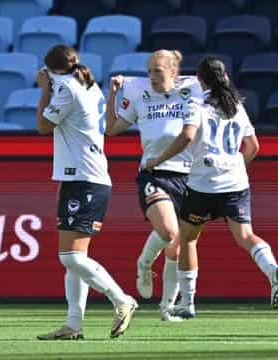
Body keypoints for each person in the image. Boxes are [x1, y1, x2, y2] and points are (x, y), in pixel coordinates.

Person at [144, 56, 278, 318]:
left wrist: (158, 159)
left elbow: (187, 136)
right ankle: (272, 270)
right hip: (235, 182)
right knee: (246, 236)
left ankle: (187, 303)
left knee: (187, 239)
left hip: (203, 184)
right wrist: (235, 168)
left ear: (200, 80)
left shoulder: (196, 104)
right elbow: (254, 147)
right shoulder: (236, 106)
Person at [35, 45, 137, 340]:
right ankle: (73, 325)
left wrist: (44, 89)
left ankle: (121, 300)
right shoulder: (88, 86)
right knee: (75, 258)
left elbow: (43, 125)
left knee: (70, 257)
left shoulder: (66, 89)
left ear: (50, 68)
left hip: (85, 178)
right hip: (81, 176)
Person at [105, 49, 202, 321]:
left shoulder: (192, 90)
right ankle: (145, 263)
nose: (151, 76)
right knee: (169, 231)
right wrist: (113, 93)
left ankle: (167, 308)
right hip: (154, 172)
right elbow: (110, 129)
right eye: (148, 70)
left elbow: (221, 81)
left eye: (157, 70)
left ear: (173, 71)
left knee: (178, 247)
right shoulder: (138, 94)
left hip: (189, 175)